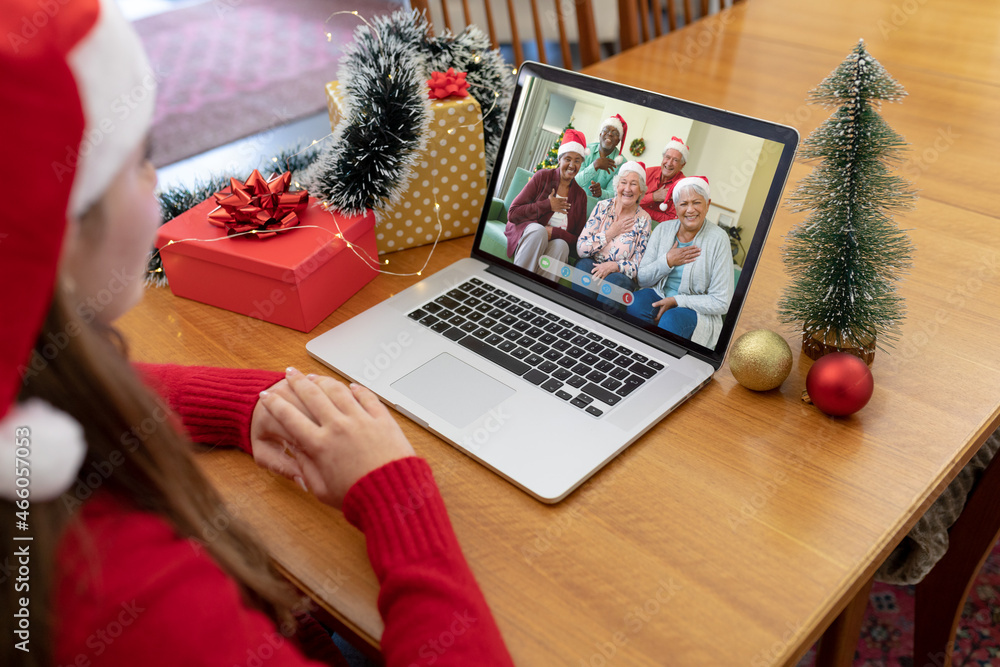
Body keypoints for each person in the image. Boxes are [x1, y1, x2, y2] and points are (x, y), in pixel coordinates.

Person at [0, 3, 514, 667]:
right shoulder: (133, 602)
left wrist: (246, 402)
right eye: (141, 158)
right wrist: (396, 493)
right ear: (58, 231)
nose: (156, 179)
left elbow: (64, 392)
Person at [626, 177, 733, 347]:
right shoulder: (662, 229)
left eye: (696, 202)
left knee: (672, 319)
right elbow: (642, 279)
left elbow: (721, 301)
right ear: (675, 207)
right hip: (659, 293)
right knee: (635, 303)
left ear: (708, 204)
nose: (690, 210)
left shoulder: (719, 239)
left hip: (694, 308)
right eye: (683, 204)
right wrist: (667, 261)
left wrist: (678, 300)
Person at [505, 129, 589, 280]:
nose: (572, 165)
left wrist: (555, 233)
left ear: (581, 164)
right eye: (568, 159)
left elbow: (579, 240)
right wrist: (548, 205)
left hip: (554, 243)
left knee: (562, 246)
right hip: (530, 234)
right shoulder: (542, 177)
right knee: (539, 231)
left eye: (577, 161)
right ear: (559, 160)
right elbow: (513, 213)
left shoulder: (581, 196)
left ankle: (539, 293)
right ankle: (516, 282)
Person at [574, 161, 652, 305]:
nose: (627, 189)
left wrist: (615, 266)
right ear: (617, 186)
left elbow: (638, 266)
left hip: (619, 274)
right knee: (583, 267)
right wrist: (611, 232)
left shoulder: (644, 220)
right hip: (593, 263)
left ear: (641, 191)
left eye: (634, 184)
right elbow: (581, 248)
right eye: (623, 182)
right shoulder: (602, 207)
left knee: (614, 282)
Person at [574, 114, 628, 200]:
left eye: (615, 133)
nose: (610, 134)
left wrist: (601, 193)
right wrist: (594, 165)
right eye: (606, 130)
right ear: (600, 135)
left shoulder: (622, 164)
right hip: (575, 199)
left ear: (618, 141)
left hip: (599, 208)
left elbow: (615, 194)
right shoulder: (585, 151)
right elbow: (575, 182)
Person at [640, 136, 689, 223]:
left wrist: (642, 209)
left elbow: (673, 219)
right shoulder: (648, 173)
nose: (669, 163)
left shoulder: (683, 187)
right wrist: (653, 197)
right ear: (663, 158)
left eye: (675, 160)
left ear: (682, 165)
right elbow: (631, 200)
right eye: (667, 157)